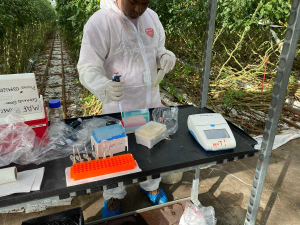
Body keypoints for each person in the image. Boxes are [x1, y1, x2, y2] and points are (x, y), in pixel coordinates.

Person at [77, 0, 176, 219]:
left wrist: (164, 56)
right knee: (114, 152)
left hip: (149, 102)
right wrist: (104, 86)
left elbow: (157, 49)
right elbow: (87, 67)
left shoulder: (152, 18)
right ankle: (114, 195)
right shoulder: (100, 22)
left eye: (145, 2)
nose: (139, 9)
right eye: (133, 2)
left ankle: (150, 185)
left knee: (152, 150)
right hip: (117, 106)